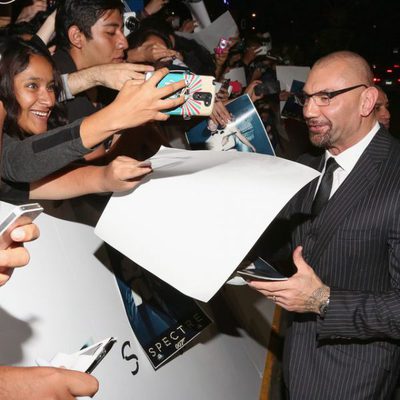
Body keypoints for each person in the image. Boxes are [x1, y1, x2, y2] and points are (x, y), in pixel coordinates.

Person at [249, 51, 400, 399]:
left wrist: (322, 300)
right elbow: (292, 246)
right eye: (306, 97)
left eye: (326, 98)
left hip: (355, 380)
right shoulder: (307, 166)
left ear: (366, 101)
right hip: (297, 365)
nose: (308, 111)